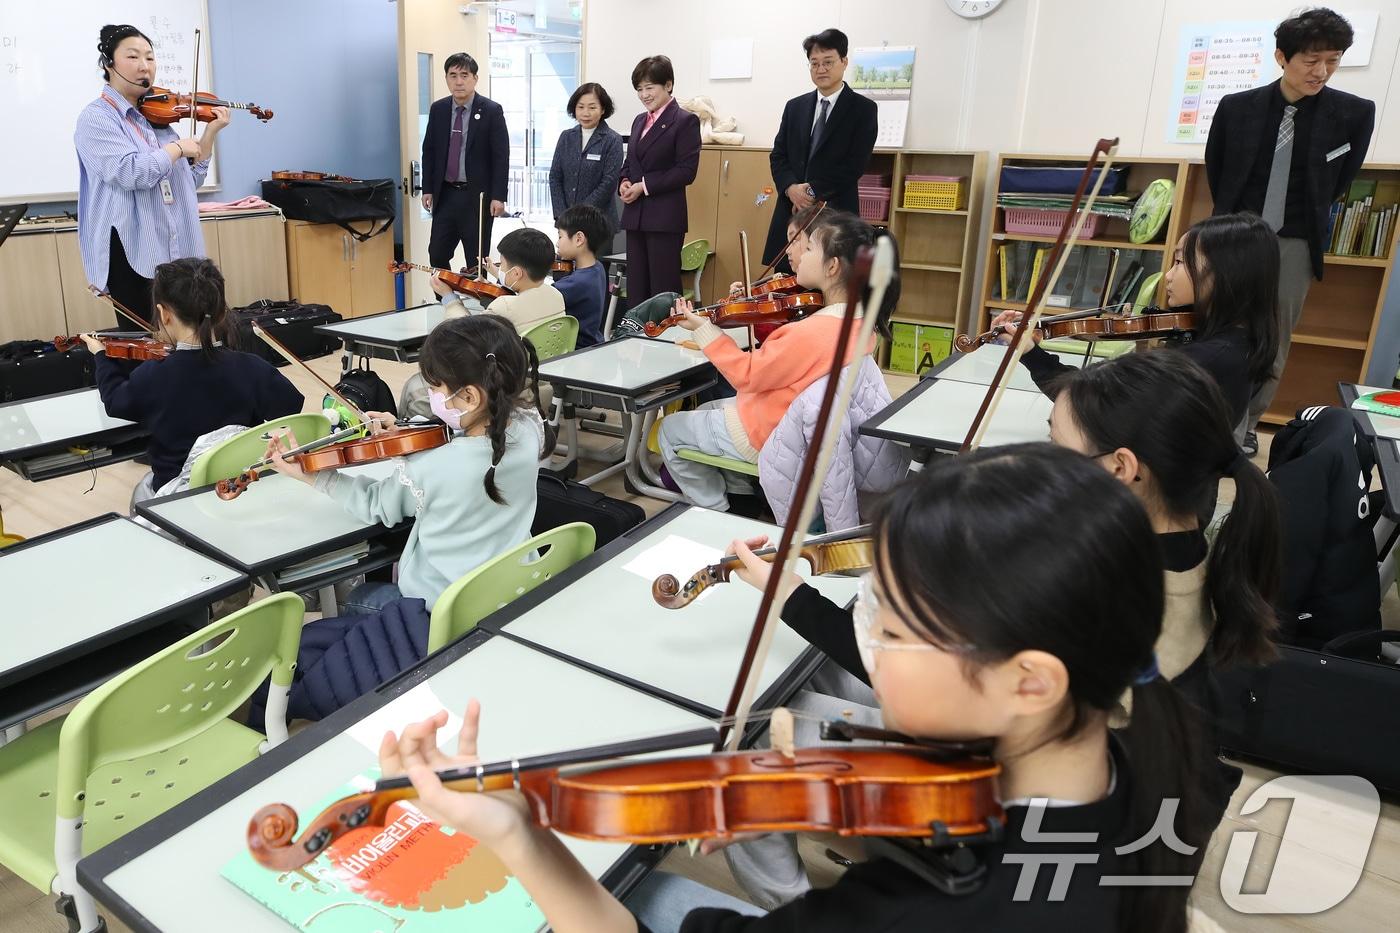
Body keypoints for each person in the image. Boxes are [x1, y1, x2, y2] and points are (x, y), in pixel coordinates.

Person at [379, 445, 1214, 933]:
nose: (871, 636)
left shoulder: (922, 911)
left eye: (891, 624)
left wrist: (522, 837)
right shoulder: (1145, 742)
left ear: (1030, 680)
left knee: (644, 893)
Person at [267, 314, 546, 612]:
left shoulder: (432, 467)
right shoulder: (530, 427)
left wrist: (315, 476)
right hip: (512, 586)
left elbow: (375, 504)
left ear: (469, 395)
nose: (432, 395)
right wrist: (407, 427)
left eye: (437, 389)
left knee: (360, 600)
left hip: (442, 605)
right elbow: (471, 435)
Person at [1204, 7, 1375, 454]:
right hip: (1237, 237)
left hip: (1296, 241)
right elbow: (1217, 171)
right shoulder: (1236, 108)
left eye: (1332, 61)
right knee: (1220, 331)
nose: (1321, 72)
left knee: (1273, 341)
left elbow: (1340, 182)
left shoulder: (1354, 114)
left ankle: (1244, 426)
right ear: (1282, 57)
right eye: (1311, 61)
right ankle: (1210, 421)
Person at [658, 212, 887, 511]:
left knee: (668, 430)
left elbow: (747, 375)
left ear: (832, 267)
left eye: (808, 249)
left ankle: (716, 511)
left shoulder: (813, 331)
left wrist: (703, 329)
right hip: (795, 425)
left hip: (771, 434)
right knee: (706, 408)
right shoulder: (863, 321)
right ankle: (742, 498)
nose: (799, 256)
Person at [991, 213, 1280, 428]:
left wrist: (1030, 353)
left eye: (1179, 262)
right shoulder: (1240, 341)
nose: (1167, 275)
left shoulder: (1203, 359)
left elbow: (1088, 403)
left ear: (1225, 274)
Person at [81, 257, 302, 496]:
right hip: (239, 488)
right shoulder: (252, 368)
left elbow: (116, 401)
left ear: (164, 314)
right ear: (220, 313)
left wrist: (102, 356)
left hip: (177, 496)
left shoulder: (153, 376)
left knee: (141, 491)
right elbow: (290, 405)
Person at [76, 24, 231, 326]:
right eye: (132, 57)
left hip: (177, 252)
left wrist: (209, 134)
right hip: (134, 252)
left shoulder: (157, 119)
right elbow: (131, 172)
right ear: (109, 64)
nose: (144, 66)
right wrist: (175, 149)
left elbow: (189, 181)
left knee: (191, 341)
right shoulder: (96, 119)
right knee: (148, 345)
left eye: (150, 57)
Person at [406, 229, 565, 419]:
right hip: (540, 383)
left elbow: (463, 335)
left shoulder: (505, 305)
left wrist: (449, 298)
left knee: (413, 389)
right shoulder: (556, 295)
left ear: (516, 273)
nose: (501, 271)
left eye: (503, 266)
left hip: (505, 387)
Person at [763, 28, 877, 270]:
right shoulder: (794, 107)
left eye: (828, 62)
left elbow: (854, 165)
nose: (821, 69)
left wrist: (811, 193)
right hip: (790, 214)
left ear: (844, 62)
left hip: (834, 215)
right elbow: (778, 155)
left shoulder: (863, 109)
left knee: (827, 287)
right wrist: (791, 188)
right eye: (814, 63)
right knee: (783, 289)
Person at [619, 55, 701, 308]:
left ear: (668, 85)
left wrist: (643, 186)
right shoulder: (639, 120)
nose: (644, 95)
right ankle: (636, 341)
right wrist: (623, 181)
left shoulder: (685, 120)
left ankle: (665, 341)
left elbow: (686, 171)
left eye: (649, 87)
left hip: (664, 218)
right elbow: (630, 162)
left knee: (662, 289)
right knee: (636, 287)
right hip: (635, 216)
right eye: (639, 89)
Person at [422, 52, 510, 271]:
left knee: (476, 261)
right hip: (446, 194)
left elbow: (501, 156)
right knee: (437, 253)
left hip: (477, 198)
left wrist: (499, 196)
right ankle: (446, 300)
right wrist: (427, 188)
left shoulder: (491, 110)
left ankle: (477, 305)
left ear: (475, 78)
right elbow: (429, 151)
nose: (458, 81)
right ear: (446, 78)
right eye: (453, 75)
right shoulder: (438, 109)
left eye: (464, 75)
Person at [549, 83, 625, 229]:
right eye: (580, 107)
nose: (586, 113)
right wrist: (561, 214)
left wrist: (578, 215)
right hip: (566, 222)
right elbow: (555, 177)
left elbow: (608, 183)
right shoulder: (566, 137)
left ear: (603, 109)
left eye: (592, 107)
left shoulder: (612, 139)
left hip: (599, 223)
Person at [555, 204, 611, 347]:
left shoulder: (578, 282)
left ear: (579, 239)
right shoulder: (597, 268)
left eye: (560, 236)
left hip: (575, 351)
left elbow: (538, 296)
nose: (557, 243)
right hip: (594, 342)